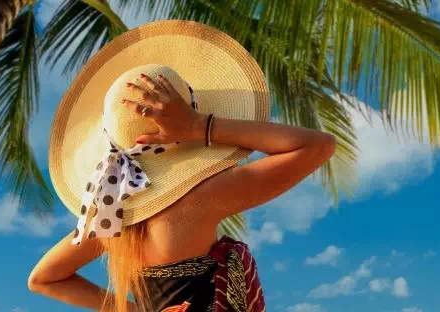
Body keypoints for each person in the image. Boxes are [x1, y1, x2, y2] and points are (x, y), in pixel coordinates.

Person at [26, 20, 335, 312]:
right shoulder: (200, 197)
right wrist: (200, 126)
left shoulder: (112, 220)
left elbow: (42, 278)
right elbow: (317, 146)